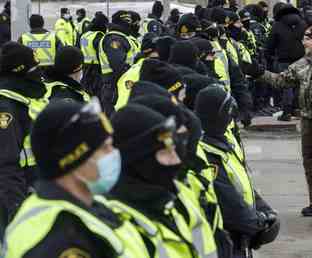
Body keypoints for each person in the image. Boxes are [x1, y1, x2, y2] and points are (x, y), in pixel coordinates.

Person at [2, 99, 158, 257]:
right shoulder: (58, 237)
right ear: (74, 159)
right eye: (105, 148)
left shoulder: (93, 204)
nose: (114, 154)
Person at [110, 103, 219, 258]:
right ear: (137, 160)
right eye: (164, 153)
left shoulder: (170, 198)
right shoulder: (119, 226)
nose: (176, 160)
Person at [247, 25, 312, 217]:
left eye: (307, 39)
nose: (303, 42)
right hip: (308, 119)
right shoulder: (302, 63)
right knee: (311, 162)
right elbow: (281, 80)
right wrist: (260, 73)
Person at [196, 85, 280, 257]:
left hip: (241, 240)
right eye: (229, 114)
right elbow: (229, 203)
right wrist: (259, 224)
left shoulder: (223, 143)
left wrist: (265, 209)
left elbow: (242, 184)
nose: (231, 120)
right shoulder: (206, 154)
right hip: (227, 242)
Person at [0, 42, 48, 237]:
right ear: (20, 71)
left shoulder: (29, 96)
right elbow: (6, 164)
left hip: (37, 190)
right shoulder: (7, 106)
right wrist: (16, 209)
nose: (40, 73)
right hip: (19, 195)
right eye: (35, 68)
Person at [265, 4, 306, 121]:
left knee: (286, 84)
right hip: (301, 59)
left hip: (284, 60)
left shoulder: (277, 25)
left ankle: (287, 112)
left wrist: (269, 56)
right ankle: (297, 109)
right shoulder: (302, 24)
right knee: (299, 84)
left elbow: (270, 44)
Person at [99, 10, 140, 115]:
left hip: (125, 83)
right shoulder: (114, 39)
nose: (129, 23)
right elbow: (118, 65)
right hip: (115, 85)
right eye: (126, 21)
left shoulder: (124, 37)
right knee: (115, 120)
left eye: (129, 21)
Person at [80, 12, 109, 98]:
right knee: (97, 95)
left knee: (87, 93)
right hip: (96, 70)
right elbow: (101, 54)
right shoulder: (99, 36)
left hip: (85, 69)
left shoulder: (85, 35)